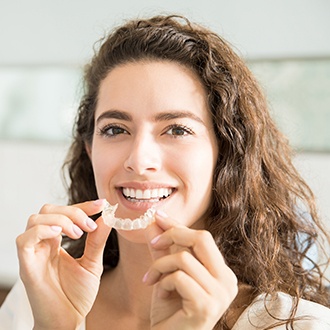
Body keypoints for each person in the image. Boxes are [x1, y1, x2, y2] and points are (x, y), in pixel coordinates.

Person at [0, 14, 329, 330]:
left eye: (177, 130)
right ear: (90, 150)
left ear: (226, 153)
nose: (139, 161)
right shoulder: (35, 303)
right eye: (115, 129)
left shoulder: (300, 324)